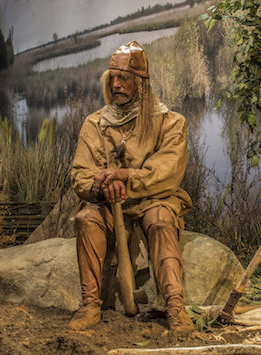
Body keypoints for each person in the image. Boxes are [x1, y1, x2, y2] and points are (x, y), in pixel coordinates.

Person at [67, 41, 195, 334]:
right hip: (110, 205)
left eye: (124, 78)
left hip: (152, 200)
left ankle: (175, 307)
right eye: (112, 78)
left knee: (162, 221)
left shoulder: (170, 122)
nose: (116, 84)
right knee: (86, 219)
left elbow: (167, 172)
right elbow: (80, 173)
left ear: (141, 83)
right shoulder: (94, 124)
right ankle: (90, 305)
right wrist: (99, 187)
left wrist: (127, 179)